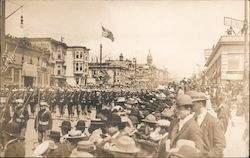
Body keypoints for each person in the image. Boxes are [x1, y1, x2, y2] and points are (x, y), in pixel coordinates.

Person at [190, 91, 226, 158]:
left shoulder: (214, 122)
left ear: (200, 104)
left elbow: (220, 145)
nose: (190, 107)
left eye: (193, 105)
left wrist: (208, 156)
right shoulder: (193, 119)